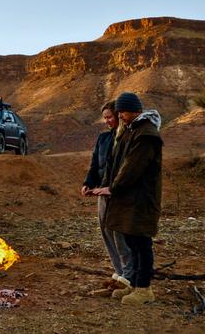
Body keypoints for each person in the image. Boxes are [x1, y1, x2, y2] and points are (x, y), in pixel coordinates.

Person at [92, 92, 162, 305]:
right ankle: (132, 284)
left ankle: (144, 289)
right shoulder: (133, 131)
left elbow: (132, 167)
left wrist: (112, 188)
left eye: (122, 111)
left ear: (133, 110)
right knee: (132, 241)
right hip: (129, 197)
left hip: (141, 198)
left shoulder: (146, 134)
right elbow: (116, 163)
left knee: (142, 243)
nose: (119, 115)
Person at [81, 101, 133, 298]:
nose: (107, 121)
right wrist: (88, 183)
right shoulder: (103, 138)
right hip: (101, 191)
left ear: (119, 115)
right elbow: (96, 164)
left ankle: (128, 276)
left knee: (119, 232)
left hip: (119, 192)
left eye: (110, 117)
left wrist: (113, 188)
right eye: (105, 118)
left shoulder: (127, 137)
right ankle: (118, 273)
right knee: (105, 230)